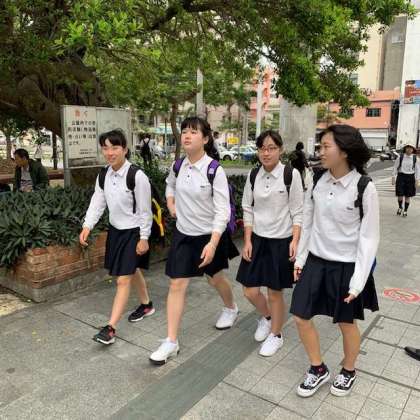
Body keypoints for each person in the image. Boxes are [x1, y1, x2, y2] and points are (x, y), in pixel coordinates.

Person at [290, 124, 380, 398]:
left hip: (346, 267)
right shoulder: (317, 179)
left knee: (345, 323)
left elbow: (369, 238)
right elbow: (308, 222)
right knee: (300, 316)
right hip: (316, 261)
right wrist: (300, 259)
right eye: (320, 146)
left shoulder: (364, 187)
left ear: (344, 151)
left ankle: (349, 370)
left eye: (326, 146)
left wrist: (358, 282)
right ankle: (318, 368)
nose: (320, 151)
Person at [149, 116, 239, 365]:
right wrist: (170, 202)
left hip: (210, 236)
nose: (187, 136)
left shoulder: (214, 170)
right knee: (177, 284)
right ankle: (171, 342)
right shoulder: (178, 166)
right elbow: (169, 186)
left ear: (206, 139)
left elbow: (223, 211)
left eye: (193, 132)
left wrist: (213, 243)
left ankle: (231, 307)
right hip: (184, 235)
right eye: (185, 131)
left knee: (215, 278)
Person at [79, 129, 155, 345]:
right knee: (131, 269)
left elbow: (145, 211)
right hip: (116, 231)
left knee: (123, 279)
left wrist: (144, 237)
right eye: (105, 148)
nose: (110, 152)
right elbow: (98, 202)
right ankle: (147, 305)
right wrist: (87, 226)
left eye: (115, 147)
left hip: (134, 232)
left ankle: (110, 328)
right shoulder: (104, 174)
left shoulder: (137, 176)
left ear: (125, 149)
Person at [236, 130, 304, 357]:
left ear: (280, 150)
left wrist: (295, 240)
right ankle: (267, 317)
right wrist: (247, 240)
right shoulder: (254, 174)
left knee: (275, 292)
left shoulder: (290, 174)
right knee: (249, 290)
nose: (266, 153)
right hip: (257, 239)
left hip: (281, 241)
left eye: (271, 148)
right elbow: (247, 208)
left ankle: (276, 334)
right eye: (262, 148)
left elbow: (298, 211)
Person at [392, 143, 420, 217]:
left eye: (411, 148)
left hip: (410, 178)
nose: (409, 149)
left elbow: (417, 170)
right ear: (405, 149)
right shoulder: (400, 157)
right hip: (401, 177)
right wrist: (393, 177)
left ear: (413, 149)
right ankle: (400, 207)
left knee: (408, 196)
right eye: (407, 148)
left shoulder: (415, 158)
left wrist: (417, 180)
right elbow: (395, 167)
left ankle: (405, 210)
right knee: (400, 195)